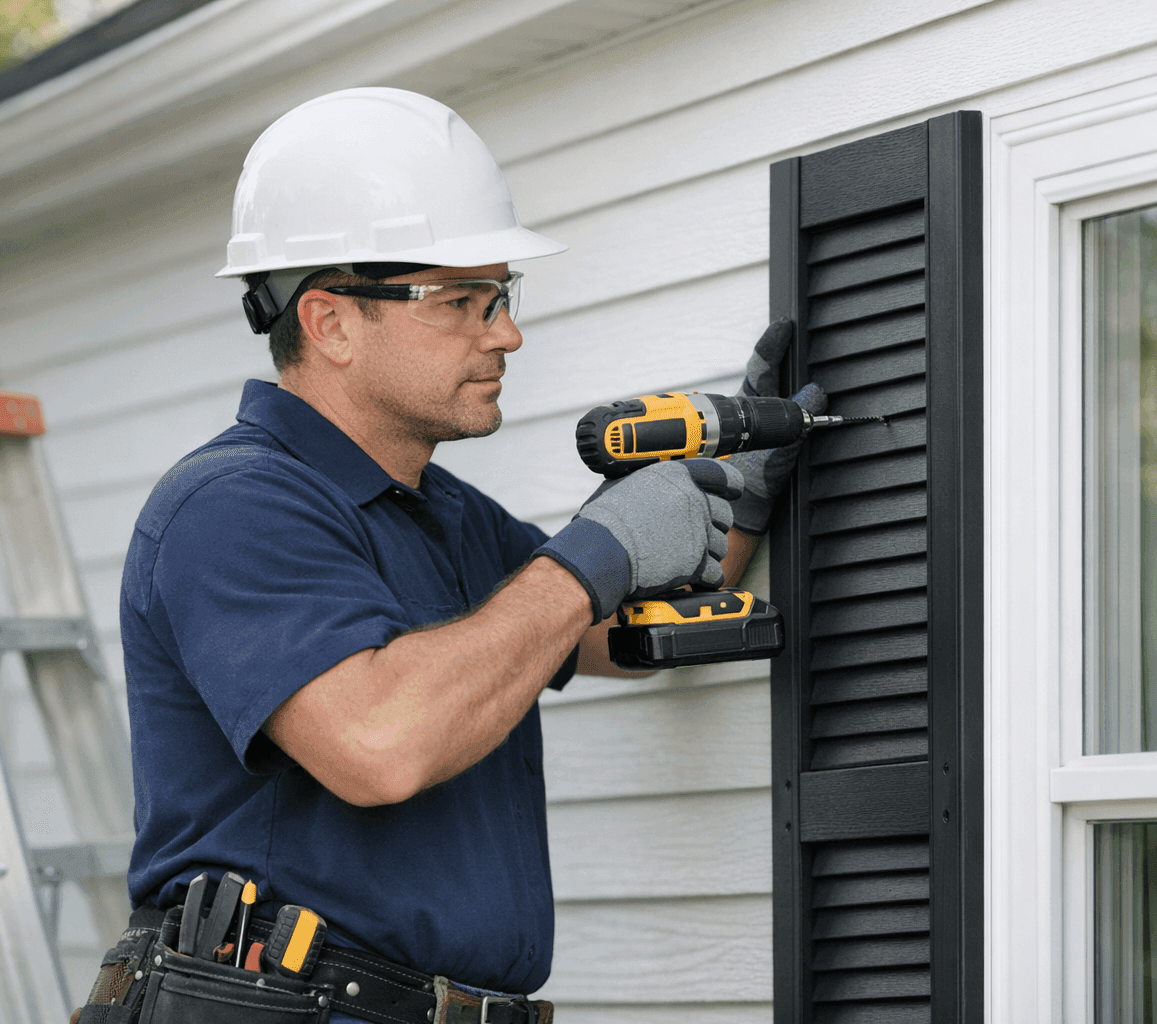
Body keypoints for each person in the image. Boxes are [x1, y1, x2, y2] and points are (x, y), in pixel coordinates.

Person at [95, 87, 821, 1024]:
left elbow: (622, 621)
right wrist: (594, 551)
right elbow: (379, 742)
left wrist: (739, 494)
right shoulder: (230, 507)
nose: (506, 333)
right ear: (331, 323)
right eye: (461, 301)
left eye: (503, 296)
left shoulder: (450, 519)